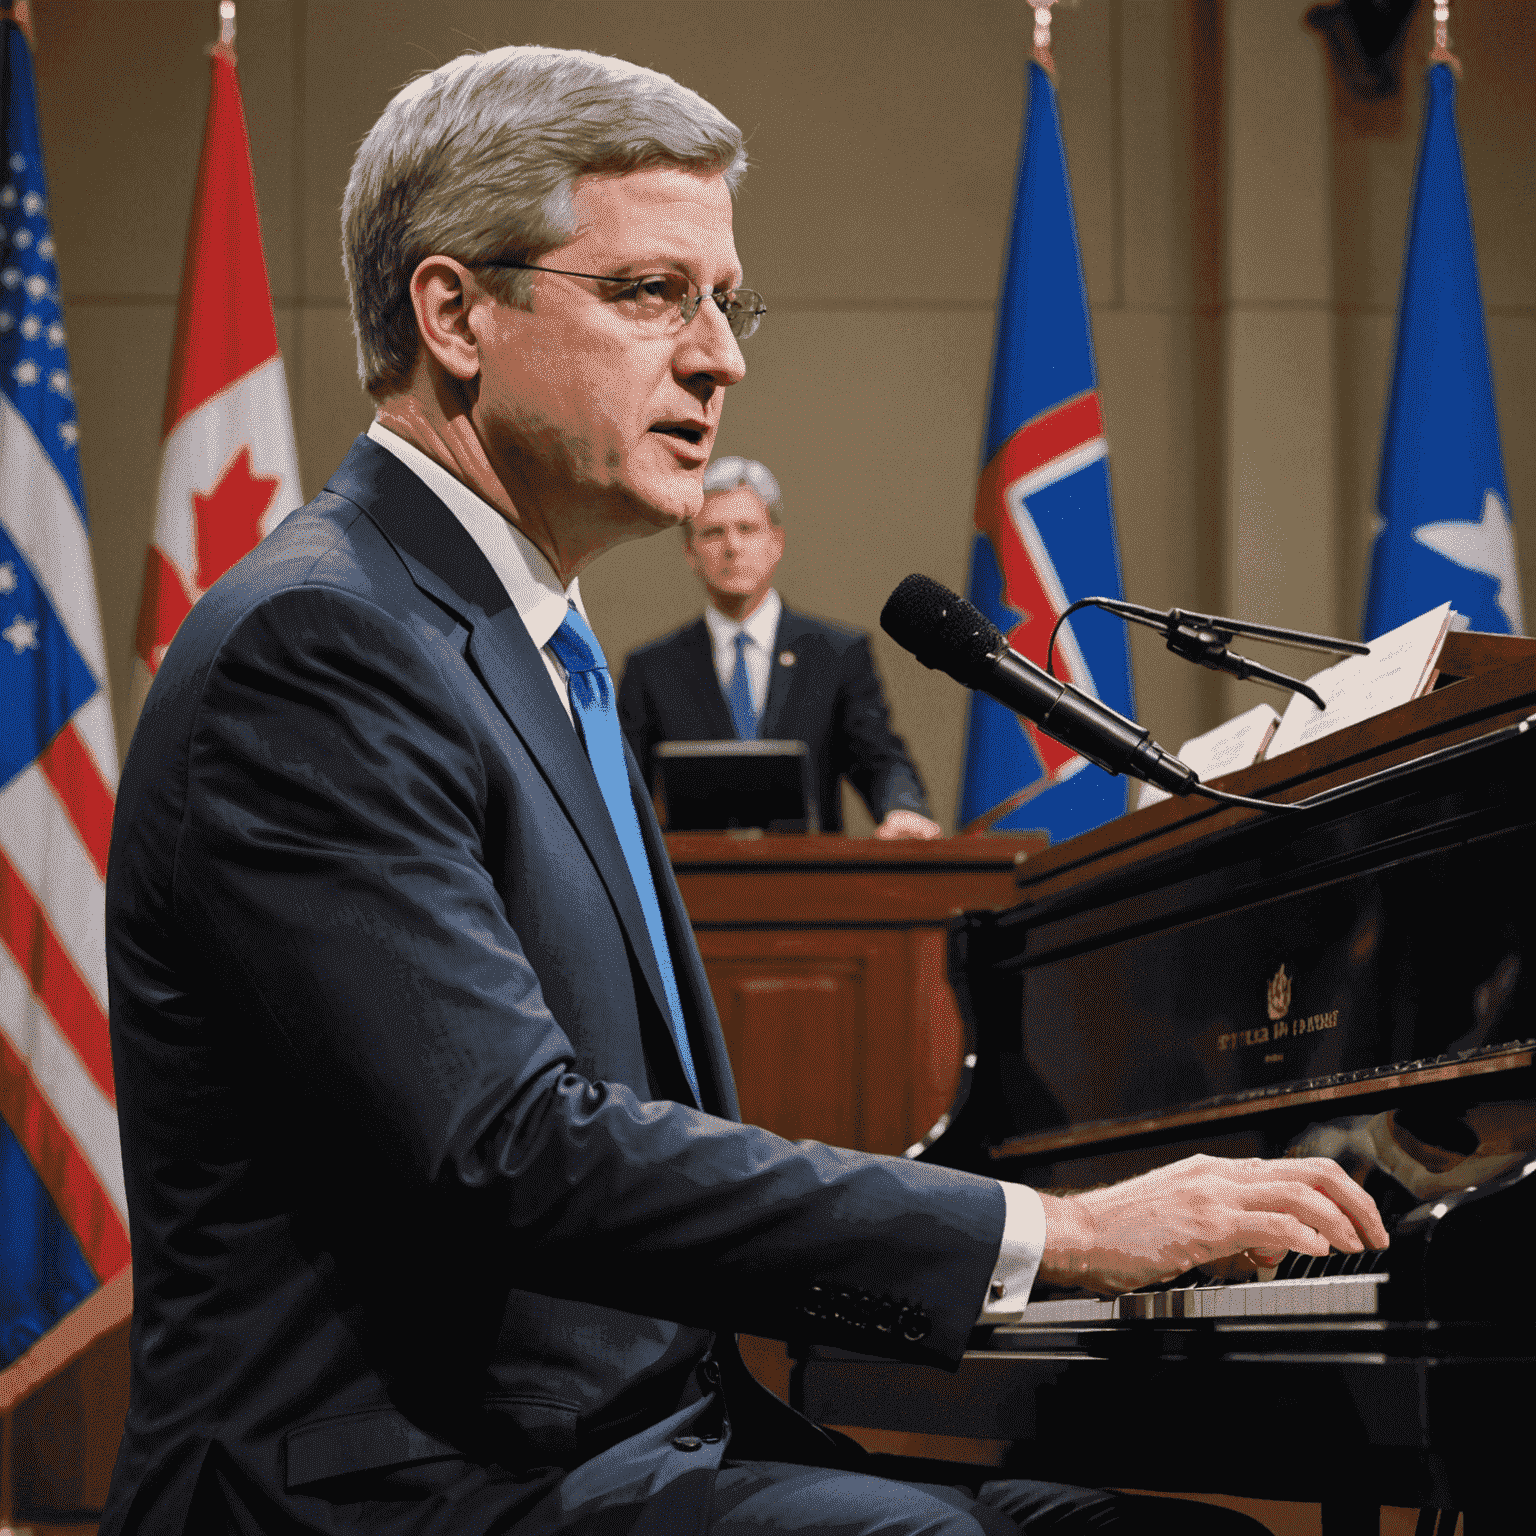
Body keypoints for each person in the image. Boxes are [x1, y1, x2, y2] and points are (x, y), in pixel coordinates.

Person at [102, 44, 1388, 1536]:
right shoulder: (324, 645)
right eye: (654, 293)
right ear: (455, 313)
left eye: (727, 299)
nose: (722, 356)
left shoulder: (531, 637)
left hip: (624, 1442)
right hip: (407, 1486)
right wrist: (1056, 1230)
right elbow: (516, 1151)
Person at [617, 457, 941, 838]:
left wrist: (902, 808)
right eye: (713, 533)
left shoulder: (836, 653)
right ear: (690, 553)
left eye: (747, 529)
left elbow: (879, 759)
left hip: (807, 884)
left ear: (777, 543)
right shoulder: (651, 669)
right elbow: (623, 792)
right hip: (696, 886)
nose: (732, 546)